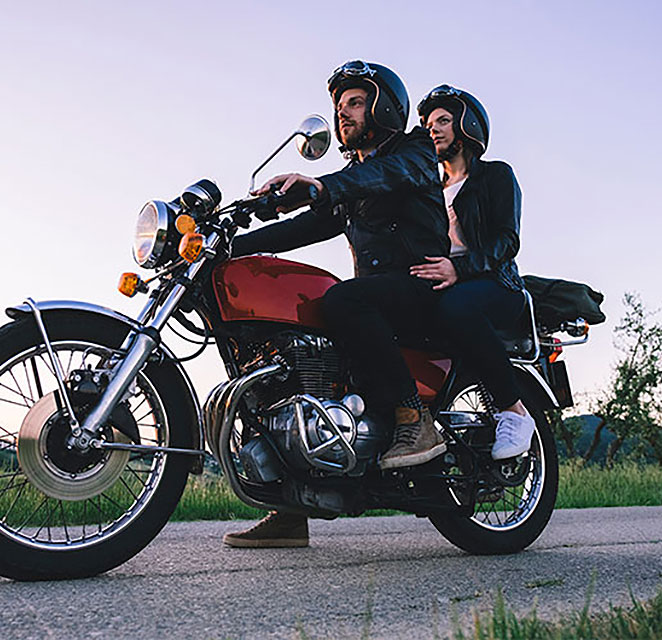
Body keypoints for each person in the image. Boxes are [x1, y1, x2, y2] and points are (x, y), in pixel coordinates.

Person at [222, 60, 451, 548]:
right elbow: (307, 226)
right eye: (338, 106)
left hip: (418, 288)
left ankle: (415, 419)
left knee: (341, 299)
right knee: (268, 356)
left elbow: (381, 178)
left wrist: (320, 186)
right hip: (379, 299)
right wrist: (232, 246)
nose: (343, 113)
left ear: (383, 106)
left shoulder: (413, 153)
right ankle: (289, 507)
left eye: (353, 102)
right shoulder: (355, 177)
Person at [411, 85, 536, 461]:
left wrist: (459, 267)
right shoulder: (429, 190)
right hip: (445, 285)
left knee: (457, 308)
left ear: (467, 126)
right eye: (429, 124)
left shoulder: (495, 176)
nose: (433, 129)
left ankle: (514, 411)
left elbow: (506, 241)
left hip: (495, 284)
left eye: (444, 121)